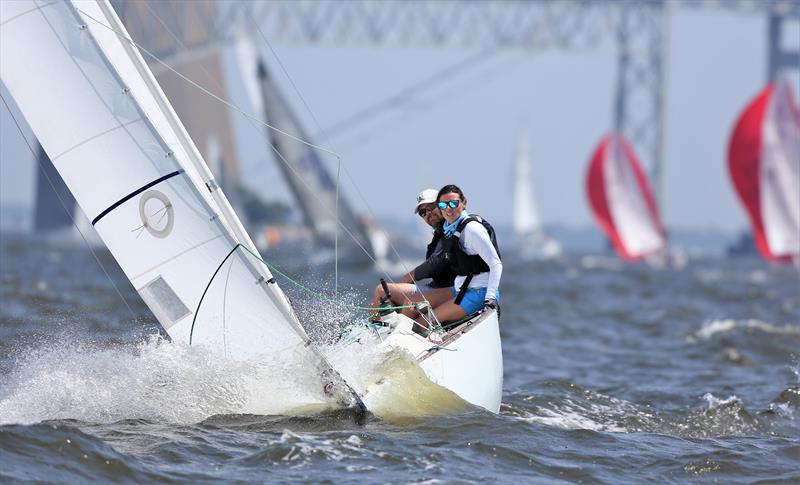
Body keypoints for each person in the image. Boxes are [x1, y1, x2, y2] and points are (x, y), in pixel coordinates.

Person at [413, 184, 502, 332]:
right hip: (459, 290)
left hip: (478, 293)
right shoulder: (451, 228)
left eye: (453, 203)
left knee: (420, 324)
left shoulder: (472, 229)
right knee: (412, 306)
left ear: (464, 203)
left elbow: (496, 263)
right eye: (443, 205)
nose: (448, 209)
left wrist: (491, 298)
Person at [370, 189, 455, 318]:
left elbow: (436, 262)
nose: (428, 214)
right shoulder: (438, 235)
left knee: (382, 290)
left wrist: (410, 276)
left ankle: (375, 330)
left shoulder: (452, 229)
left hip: (454, 289)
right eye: (422, 212)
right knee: (388, 298)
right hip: (438, 287)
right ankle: (379, 328)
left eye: (431, 207)